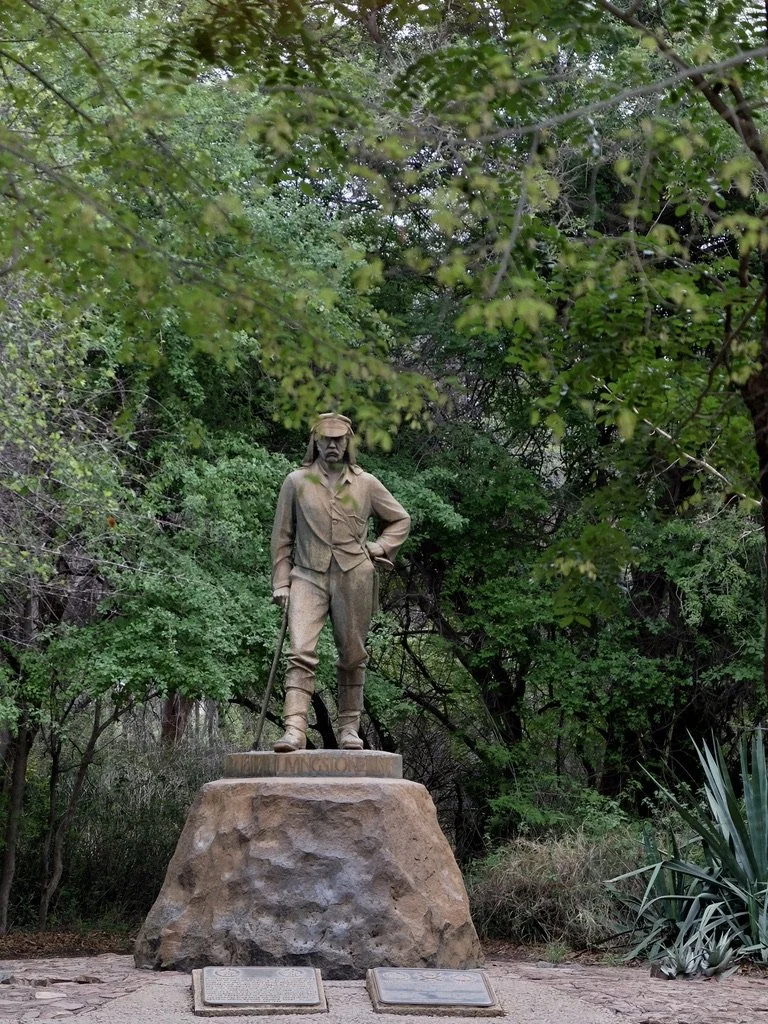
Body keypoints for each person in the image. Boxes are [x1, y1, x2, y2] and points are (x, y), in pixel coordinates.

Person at [270, 413, 410, 752]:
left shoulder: (367, 484)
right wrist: (281, 582)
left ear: (348, 443)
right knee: (300, 651)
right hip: (306, 575)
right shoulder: (296, 482)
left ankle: (349, 728)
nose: (332, 445)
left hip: (354, 576)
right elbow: (282, 536)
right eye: (326, 439)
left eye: (339, 440)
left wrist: (379, 547)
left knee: (352, 654)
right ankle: (294, 729)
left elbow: (400, 519)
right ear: (314, 442)